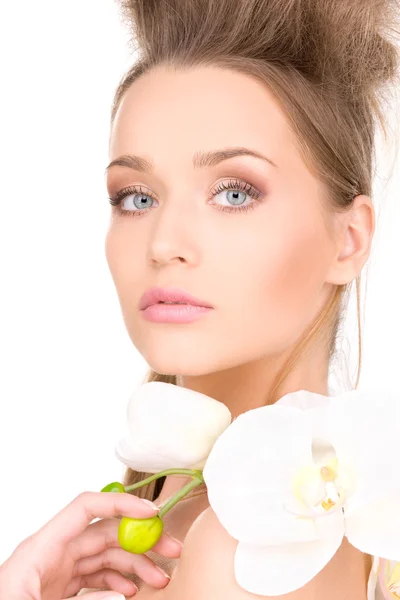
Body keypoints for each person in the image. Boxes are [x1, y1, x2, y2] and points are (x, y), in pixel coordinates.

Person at [1, 0, 399, 598]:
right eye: (136, 197)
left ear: (349, 239)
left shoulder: (240, 548)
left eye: (234, 193)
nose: (164, 243)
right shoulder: (181, 512)